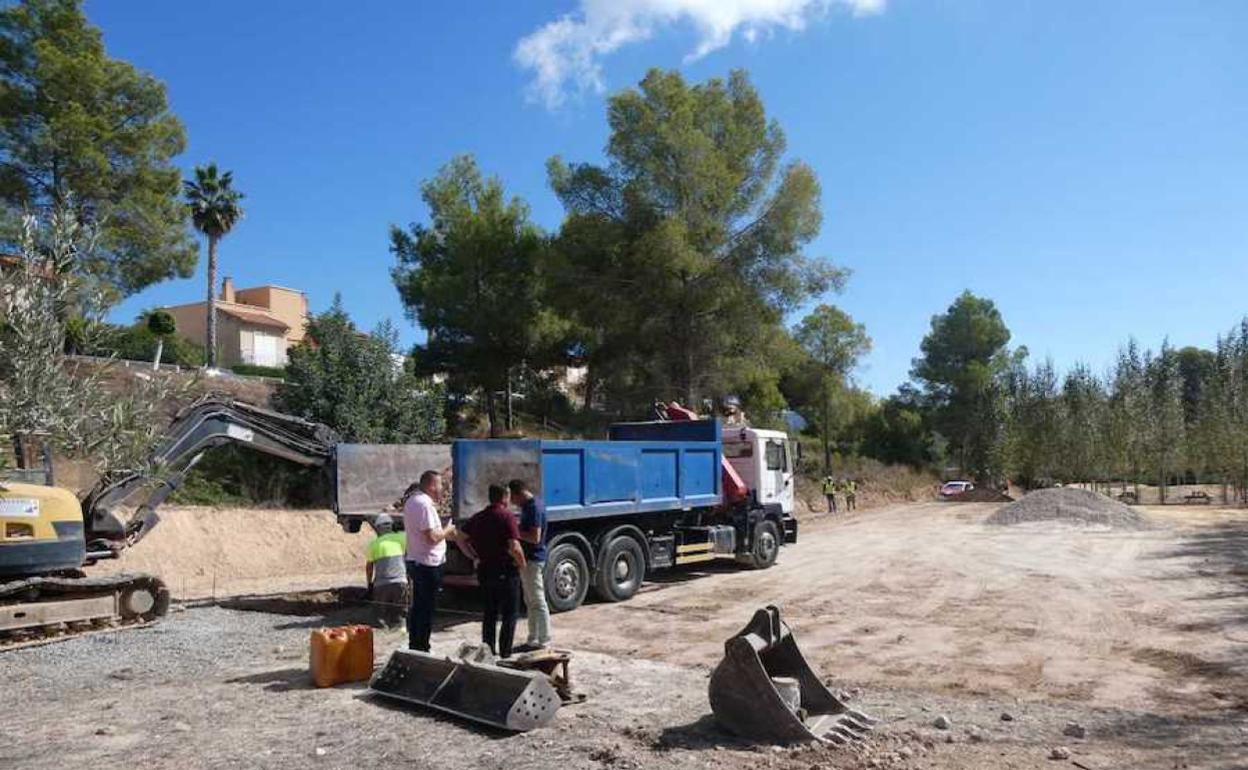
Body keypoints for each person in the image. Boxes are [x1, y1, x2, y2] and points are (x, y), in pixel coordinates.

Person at [461, 484, 526, 658]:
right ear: (505, 497)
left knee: (489, 613)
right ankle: (505, 653)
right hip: (505, 571)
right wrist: (522, 564)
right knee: (509, 614)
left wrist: (473, 556)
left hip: (485, 570)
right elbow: (514, 546)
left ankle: (488, 651)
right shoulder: (507, 517)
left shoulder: (478, 517)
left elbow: (460, 537)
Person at [403, 470, 457, 652]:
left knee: (419, 606)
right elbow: (432, 537)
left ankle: (415, 644)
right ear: (432, 485)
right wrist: (449, 529)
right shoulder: (424, 505)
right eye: (441, 484)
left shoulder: (412, 501)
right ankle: (422, 646)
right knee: (425, 608)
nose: (443, 489)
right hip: (427, 564)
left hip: (418, 560)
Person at [509, 478, 551, 652]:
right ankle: (533, 638)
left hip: (533, 559)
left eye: (512, 496)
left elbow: (535, 537)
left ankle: (544, 640)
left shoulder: (534, 508)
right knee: (530, 600)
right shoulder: (528, 507)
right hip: (529, 559)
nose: (511, 501)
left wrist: (514, 531)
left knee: (537, 600)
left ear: (518, 494)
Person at [365, 513, 407, 628]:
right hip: (400, 582)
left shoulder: (373, 545)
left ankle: (383, 627)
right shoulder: (401, 538)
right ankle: (400, 627)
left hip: (381, 584)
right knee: (400, 610)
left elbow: (369, 567)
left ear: (378, 529)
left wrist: (369, 584)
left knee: (380, 614)